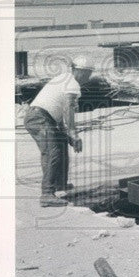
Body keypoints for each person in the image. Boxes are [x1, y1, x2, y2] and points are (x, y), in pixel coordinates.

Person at [24, 56, 93, 207]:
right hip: (39, 118)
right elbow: (68, 108)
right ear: (82, 72)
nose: (89, 77)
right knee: (52, 152)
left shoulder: (64, 78)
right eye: (89, 73)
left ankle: (59, 185)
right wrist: (73, 133)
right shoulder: (73, 84)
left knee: (60, 144)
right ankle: (47, 194)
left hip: (41, 117)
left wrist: (66, 133)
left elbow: (59, 112)